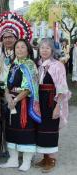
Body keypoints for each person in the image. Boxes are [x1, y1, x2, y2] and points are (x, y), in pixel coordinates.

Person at [0, 11, 33, 156]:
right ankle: (3, 147)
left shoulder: (21, 53)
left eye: (10, 37)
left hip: (19, 92)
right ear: (1, 39)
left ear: (16, 38)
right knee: (1, 119)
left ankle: (21, 151)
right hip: (0, 90)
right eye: (5, 37)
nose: (7, 39)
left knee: (18, 120)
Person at [0, 39, 41, 172]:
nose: (20, 50)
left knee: (25, 130)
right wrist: (7, 96)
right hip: (11, 101)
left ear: (28, 50)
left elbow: (29, 88)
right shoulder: (13, 64)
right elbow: (5, 84)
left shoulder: (30, 65)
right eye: (17, 47)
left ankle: (27, 160)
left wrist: (15, 99)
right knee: (11, 129)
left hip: (23, 102)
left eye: (23, 47)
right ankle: (13, 159)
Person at [35, 38, 71, 173]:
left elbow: (62, 88)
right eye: (42, 47)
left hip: (52, 101)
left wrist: (57, 106)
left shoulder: (58, 65)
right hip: (41, 102)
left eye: (47, 48)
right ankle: (45, 157)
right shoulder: (38, 65)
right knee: (41, 128)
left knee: (51, 129)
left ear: (52, 50)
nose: (44, 50)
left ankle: (52, 159)